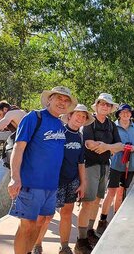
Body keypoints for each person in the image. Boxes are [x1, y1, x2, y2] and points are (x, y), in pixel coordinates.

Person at [7, 86, 77, 254]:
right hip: (31, 183)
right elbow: (18, 148)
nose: (63, 102)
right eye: (59, 98)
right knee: (27, 224)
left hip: (51, 186)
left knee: (41, 221)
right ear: (49, 99)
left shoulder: (60, 125)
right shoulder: (34, 117)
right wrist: (15, 177)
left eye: (66, 100)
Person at [33, 104, 95, 254]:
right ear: (70, 116)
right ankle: (37, 244)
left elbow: (81, 162)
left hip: (72, 180)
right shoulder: (59, 132)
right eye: (78, 115)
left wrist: (83, 182)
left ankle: (64, 246)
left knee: (67, 213)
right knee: (46, 216)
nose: (80, 118)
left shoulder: (80, 136)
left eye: (83, 116)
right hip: (54, 180)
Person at [75, 93, 124, 252]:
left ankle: (90, 232)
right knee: (88, 202)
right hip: (89, 166)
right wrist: (108, 147)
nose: (105, 106)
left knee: (97, 200)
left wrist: (105, 146)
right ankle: (80, 241)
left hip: (105, 166)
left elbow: (120, 146)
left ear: (110, 108)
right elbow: (88, 143)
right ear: (96, 105)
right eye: (102, 103)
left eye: (108, 105)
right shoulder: (89, 122)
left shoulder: (111, 125)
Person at [96, 104, 134, 235]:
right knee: (111, 192)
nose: (126, 114)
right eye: (123, 112)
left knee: (122, 192)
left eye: (128, 112)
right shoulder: (112, 126)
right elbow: (109, 145)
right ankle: (102, 220)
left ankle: (117, 217)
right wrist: (121, 147)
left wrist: (133, 149)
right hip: (115, 164)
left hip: (131, 165)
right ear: (119, 114)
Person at [0, 100, 27, 168]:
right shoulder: (20, 111)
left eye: (0, 114)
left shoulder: (10, 113)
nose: (0, 117)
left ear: (5, 109)